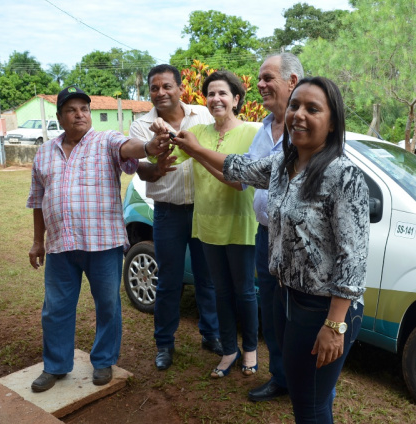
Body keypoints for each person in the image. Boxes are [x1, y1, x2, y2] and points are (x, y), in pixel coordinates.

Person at [164, 77, 369, 423]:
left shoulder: (343, 175)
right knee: (303, 394)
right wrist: (195, 148)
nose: (298, 115)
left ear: (333, 123)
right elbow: (236, 166)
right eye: (295, 106)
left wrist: (335, 325)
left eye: (312, 109)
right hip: (284, 297)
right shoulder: (282, 166)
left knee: (312, 402)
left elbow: (354, 258)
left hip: (322, 308)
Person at [27, 85, 174, 393]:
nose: (79, 114)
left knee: (107, 304)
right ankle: (55, 366)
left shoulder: (105, 140)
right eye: (71, 110)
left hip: (103, 244)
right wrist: (38, 241)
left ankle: (104, 361)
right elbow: (38, 201)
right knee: (55, 308)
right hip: (59, 245)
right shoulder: (43, 154)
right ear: (60, 117)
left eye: (84, 109)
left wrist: (149, 146)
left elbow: (130, 147)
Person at [153, 70, 259, 379]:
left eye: (223, 93)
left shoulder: (251, 133)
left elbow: (240, 179)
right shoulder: (199, 131)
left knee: (244, 292)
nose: (216, 99)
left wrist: (198, 153)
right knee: (220, 292)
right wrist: (159, 136)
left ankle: (250, 348)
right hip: (207, 224)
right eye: (211, 94)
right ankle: (229, 350)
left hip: (239, 224)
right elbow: (169, 155)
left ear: (236, 99)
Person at [130, 64, 222, 372]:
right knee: (168, 281)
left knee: (207, 278)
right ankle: (164, 345)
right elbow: (138, 166)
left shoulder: (203, 116)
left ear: (180, 88)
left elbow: (217, 147)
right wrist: (155, 163)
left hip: (202, 209)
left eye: (167, 86)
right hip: (168, 212)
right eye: (154, 88)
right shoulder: (142, 125)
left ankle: (211, 335)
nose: (160, 92)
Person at [245, 53, 302, 402]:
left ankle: (305, 382)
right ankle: (280, 377)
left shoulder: (310, 129)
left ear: (291, 81)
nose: (260, 85)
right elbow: (247, 175)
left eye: (268, 77)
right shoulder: (263, 129)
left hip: (297, 242)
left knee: (299, 317)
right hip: (265, 236)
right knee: (272, 314)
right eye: (260, 78)